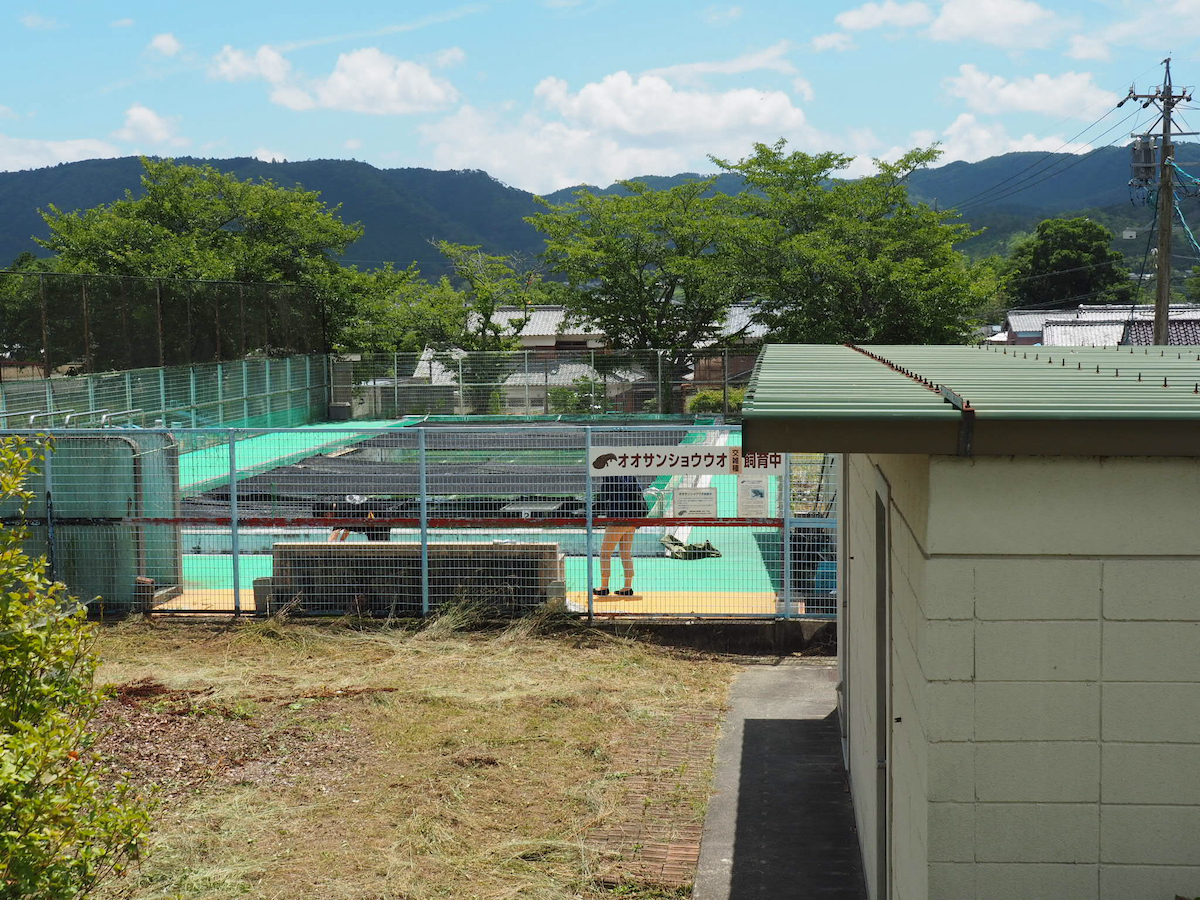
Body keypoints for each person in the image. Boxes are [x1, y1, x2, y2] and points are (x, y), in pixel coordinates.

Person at [595, 475, 645, 597]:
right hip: (632, 519)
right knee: (626, 553)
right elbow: (639, 492)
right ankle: (627, 587)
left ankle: (604, 586)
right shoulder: (631, 475)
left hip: (617, 519)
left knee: (605, 554)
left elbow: (603, 497)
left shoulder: (610, 476)